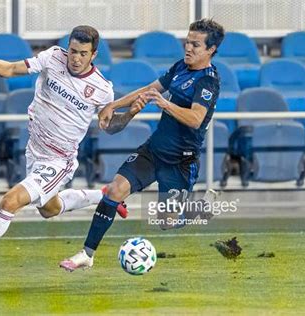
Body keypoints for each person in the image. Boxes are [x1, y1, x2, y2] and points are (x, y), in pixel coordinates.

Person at [0, 25, 139, 276]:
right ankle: (105, 195)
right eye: (73, 51)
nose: (75, 58)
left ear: (93, 55)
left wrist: (128, 114)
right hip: (35, 151)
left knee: (10, 202)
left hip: (59, 160)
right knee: (49, 210)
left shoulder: (102, 88)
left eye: (83, 53)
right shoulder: (52, 57)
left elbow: (109, 126)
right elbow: (10, 69)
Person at [59, 18, 225, 272]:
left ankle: (199, 210)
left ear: (211, 49)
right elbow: (149, 89)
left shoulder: (208, 82)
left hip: (180, 162)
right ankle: (87, 254)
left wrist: (166, 104)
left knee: (166, 222)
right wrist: (113, 105)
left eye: (195, 45)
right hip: (153, 151)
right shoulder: (181, 67)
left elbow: (196, 119)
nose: (188, 48)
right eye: (187, 42)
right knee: (115, 190)